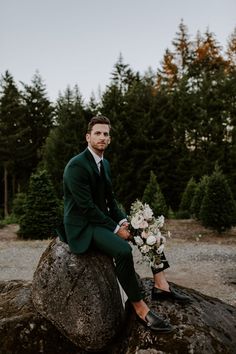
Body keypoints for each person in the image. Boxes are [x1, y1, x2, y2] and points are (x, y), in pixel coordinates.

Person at [59, 115, 189, 333]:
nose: (102, 137)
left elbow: (111, 201)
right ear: (87, 137)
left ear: (109, 139)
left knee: (148, 230)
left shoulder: (105, 164)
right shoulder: (76, 166)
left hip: (101, 219)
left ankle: (161, 285)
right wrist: (116, 229)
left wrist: (124, 221)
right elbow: (87, 208)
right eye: (97, 133)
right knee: (122, 250)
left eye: (106, 134)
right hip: (83, 225)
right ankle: (139, 309)